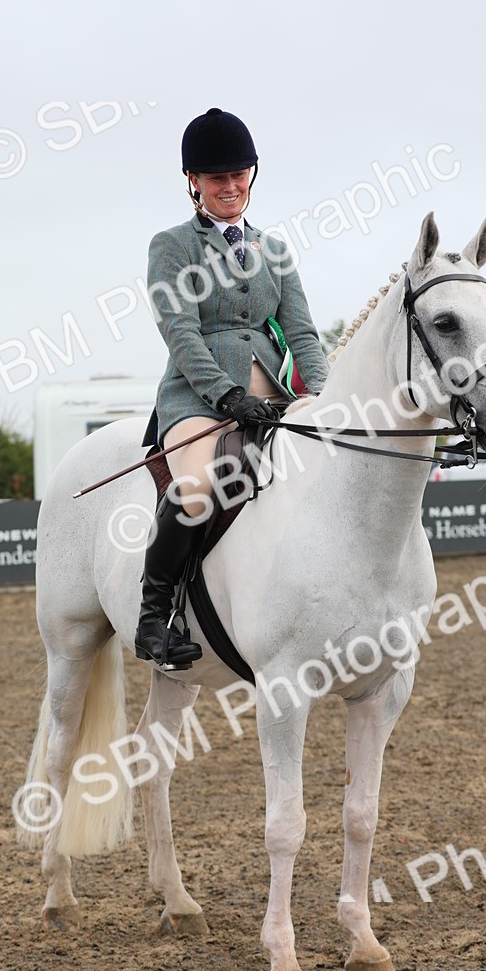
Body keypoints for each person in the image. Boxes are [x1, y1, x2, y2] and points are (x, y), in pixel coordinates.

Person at [134, 107, 328, 669]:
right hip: (199, 401)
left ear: (251, 174)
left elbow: (302, 333)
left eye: (238, 174)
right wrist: (226, 395)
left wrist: (323, 396)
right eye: (217, 177)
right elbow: (180, 333)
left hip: (273, 400)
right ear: (193, 181)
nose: (230, 186)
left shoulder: (275, 250)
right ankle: (154, 618)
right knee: (197, 488)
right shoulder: (173, 246)